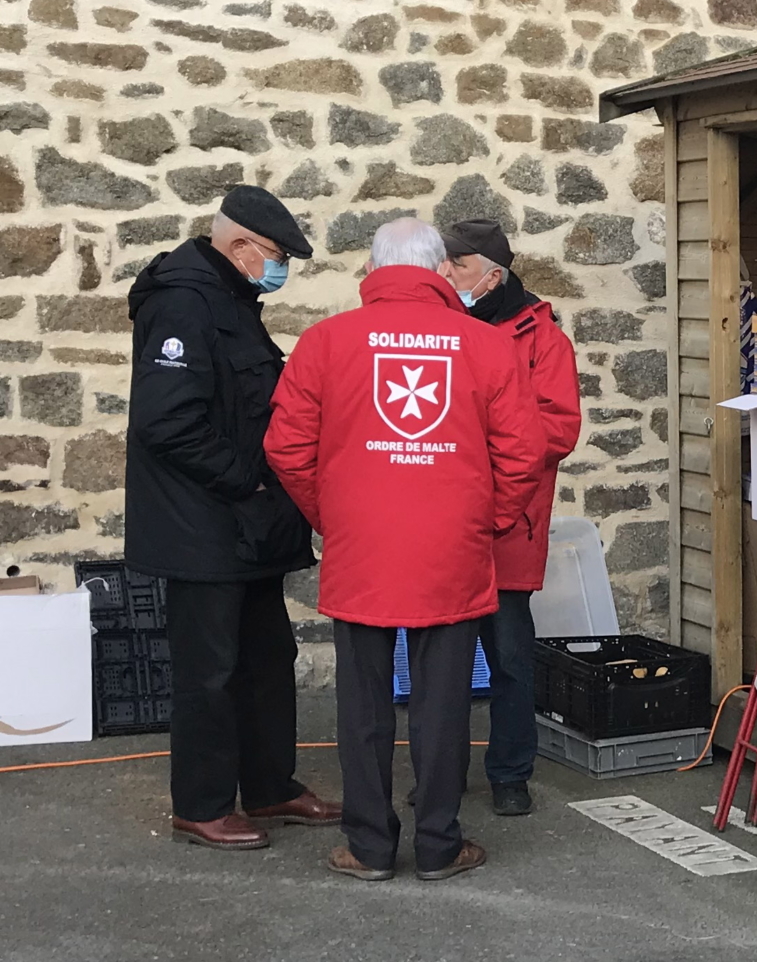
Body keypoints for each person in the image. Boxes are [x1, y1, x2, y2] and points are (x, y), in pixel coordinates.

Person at [264, 217, 544, 884]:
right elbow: (524, 453)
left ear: (373, 268)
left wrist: (332, 516)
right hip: (452, 548)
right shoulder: (487, 344)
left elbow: (286, 447)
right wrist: (487, 521)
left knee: (362, 703)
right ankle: (440, 843)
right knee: (443, 704)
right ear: (441, 270)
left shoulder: (325, 341)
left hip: (362, 546)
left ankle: (369, 845)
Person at [125, 187, 337, 851]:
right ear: (240, 245)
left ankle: (269, 784)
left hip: (247, 528)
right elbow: (167, 421)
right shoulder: (184, 302)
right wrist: (249, 478)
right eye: (277, 256)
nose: (281, 269)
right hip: (203, 527)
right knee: (209, 672)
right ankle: (203, 804)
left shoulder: (232, 300)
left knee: (266, 659)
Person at [440, 219, 582, 818]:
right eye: (445, 262)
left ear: (492, 275)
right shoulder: (441, 326)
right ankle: (441, 776)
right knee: (441, 667)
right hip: (448, 524)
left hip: (508, 526)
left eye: (459, 264)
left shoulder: (544, 340)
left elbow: (559, 429)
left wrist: (479, 451)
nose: (447, 273)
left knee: (510, 660)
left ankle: (510, 774)